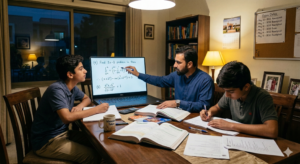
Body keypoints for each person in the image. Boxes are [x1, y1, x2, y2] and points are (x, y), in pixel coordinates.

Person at [31, 55, 109, 163]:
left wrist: (79, 107)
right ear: (70, 74)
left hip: (63, 133)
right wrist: (97, 109)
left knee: (100, 143)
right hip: (47, 141)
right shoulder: (56, 89)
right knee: (93, 156)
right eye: (81, 69)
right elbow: (67, 118)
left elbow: (87, 99)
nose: (85, 71)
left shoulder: (71, 87)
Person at [200, 61, 278, 138]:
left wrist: (231, 126)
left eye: (231, 91)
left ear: (246, 87)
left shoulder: (262, 97)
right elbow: (217, 107)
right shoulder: (231, 93)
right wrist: (209, 112)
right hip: (237, 137)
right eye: (225, 90)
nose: (226, 95)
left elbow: (272, 130)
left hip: (256, 141)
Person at [125, 45, 214, 113]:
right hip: (177, 116)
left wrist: (177, 103)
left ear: (189, 64)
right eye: (175, 61)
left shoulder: (205, 80)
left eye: (178, 62)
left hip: (194, 120)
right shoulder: (177, 75)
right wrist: (138, 74)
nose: (174, 65)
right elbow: (159, 81)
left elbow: (203, 105)